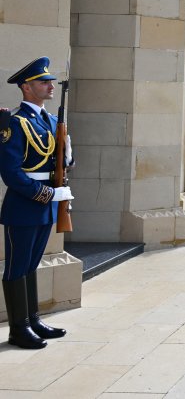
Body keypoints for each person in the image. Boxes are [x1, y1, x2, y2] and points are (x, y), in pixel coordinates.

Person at [0, 57, 74, 348]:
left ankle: (33, 320)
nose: (50, 85)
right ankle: (18, 329)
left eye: (51, 81)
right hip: (25, 204)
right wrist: (47, 194)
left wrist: (68, 155)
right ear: (26, 87)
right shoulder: (14, 123)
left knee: (32, 264)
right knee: (17, 266)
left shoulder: (53, 121)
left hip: (48, 203)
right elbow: (11, 173)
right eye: (43, 82)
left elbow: (62, 163)